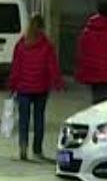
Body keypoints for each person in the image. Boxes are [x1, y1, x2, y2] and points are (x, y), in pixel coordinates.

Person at [8, 14, 65, 161]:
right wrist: (58, 83)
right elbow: (52, 67)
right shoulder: (47, 45)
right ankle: (37, 149)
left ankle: (23, 147)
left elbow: (16, 67)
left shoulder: (21, 44)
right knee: (39, 119)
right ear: (42, 27)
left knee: (24, 120)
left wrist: (12, 85)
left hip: (23, 88)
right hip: (41, 87)